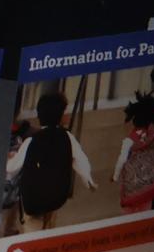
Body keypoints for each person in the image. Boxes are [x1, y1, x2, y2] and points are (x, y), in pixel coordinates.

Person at [8, 89, 95, 232]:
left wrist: (8, 159)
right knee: (50, 227)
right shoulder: (67, 137)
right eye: (64, 112)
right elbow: (80, 160)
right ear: (59, 116)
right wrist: (88, 180)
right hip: (54, 198)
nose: (67, 115)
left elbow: (12, 167)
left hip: (33, 201)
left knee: (32, 231)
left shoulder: (31, 141)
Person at [116, 93, 154, 214]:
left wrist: (116, 176)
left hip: (130, 191)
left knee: (129, 214)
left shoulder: (129, 140)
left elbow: (122, 161)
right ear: (152, 124)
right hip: (148, 190)